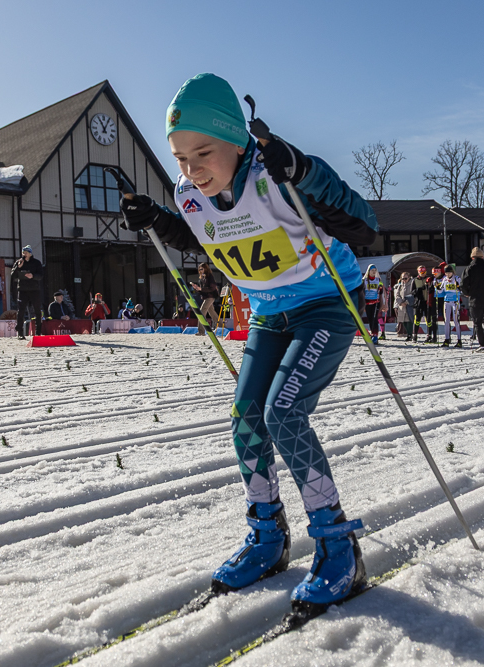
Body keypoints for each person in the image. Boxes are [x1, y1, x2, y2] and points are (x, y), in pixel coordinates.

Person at [118, 73, 376, 609]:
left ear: (237, 139)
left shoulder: (277, 178)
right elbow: (210, 234)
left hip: (326, 302)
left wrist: (306, 170)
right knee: (246, 416)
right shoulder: (190, 194)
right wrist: (160, 220)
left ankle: (338, 546)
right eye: (181, 158)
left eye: (204, 152)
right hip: (268, 313)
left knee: (284, 413)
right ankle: (268, 536)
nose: (192, 170)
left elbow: (363, 226)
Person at [11, 245, 44, 339]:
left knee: (37, 310)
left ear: (30, 253)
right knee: (20, 311)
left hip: (34, 289)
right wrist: (18, 267)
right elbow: (13, 275)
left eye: (26, 252)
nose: (24, 254)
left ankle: (38, 332)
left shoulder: (37, 263)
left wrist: (33, 276)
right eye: (23, 252)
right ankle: (20, 333)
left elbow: (41, 275)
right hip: (22, 289)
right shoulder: (19, 262)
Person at [192, 263, 220, 335]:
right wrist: (197, 288)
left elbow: (212, 288)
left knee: (201, 312)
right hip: (206, 297)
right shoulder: (202, 278)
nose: (200, 271)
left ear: (206, 268)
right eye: (199, 269)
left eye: (202, 269)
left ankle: (201, 331)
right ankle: (223, 327)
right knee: (212, 313)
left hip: (210, 297)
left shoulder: (209, 276)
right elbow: (202, 290)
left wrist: (201, 289)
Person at [438, 264, 463, 347]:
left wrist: (459, 287)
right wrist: (438, 288)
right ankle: (447, 339)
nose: (447, 274)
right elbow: (441, 291)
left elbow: (462, 290)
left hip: (455, 302)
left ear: (452, 272)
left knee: (456, 321)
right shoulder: (444, 280)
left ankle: (459, 340)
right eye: (446, 273)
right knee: (447, 321)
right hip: (446, 301)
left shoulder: (457, 279)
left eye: (449, 273)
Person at [409, 266, 434, 343]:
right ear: (418, 272)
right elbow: (412, 292)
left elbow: (433, 289)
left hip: (427, 302)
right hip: (419, 302)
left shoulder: (429, 279)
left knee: (429, 320)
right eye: (422, 272)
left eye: (425, 272)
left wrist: (429, 287)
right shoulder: (415, 280)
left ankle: (429, 335)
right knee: (417, 319)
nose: (423, 274)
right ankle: (415, 335)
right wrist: (419, 290)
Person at [361, 265, 383, 344]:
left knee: (374, 318)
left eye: (375, 270)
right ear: (368, 271)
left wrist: (383, 304)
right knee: (370, 319)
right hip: (367, 302)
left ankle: (375, 336)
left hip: (376, 302)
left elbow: (381, 293)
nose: (374, 272)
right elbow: (362, 293)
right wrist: (362, 304)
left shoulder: (378, 280)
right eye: (372, 270)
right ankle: (372, 334)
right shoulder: (364, 280)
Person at [393, 272, 414, 337]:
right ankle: (405, 332)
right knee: (402, 319)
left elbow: (413, 294)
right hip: (401, 305)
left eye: (405, 278)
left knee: (409, 319)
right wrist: (400, 302)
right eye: (402, 278)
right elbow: (397, 295)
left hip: (409, 304)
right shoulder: (400, 285)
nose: (404, 280)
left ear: (409, 277)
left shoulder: (412, 284)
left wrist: (407, 302)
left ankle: (409, 334)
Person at [431, 264, 446, 343]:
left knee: (445, 318)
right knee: (434, 317)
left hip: (443, 299)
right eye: (434, 274)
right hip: (435, 298)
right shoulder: (434, 279)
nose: (435, 275)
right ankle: (434, 336)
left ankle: (447, 336)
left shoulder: (444, 278)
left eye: (436, 274)